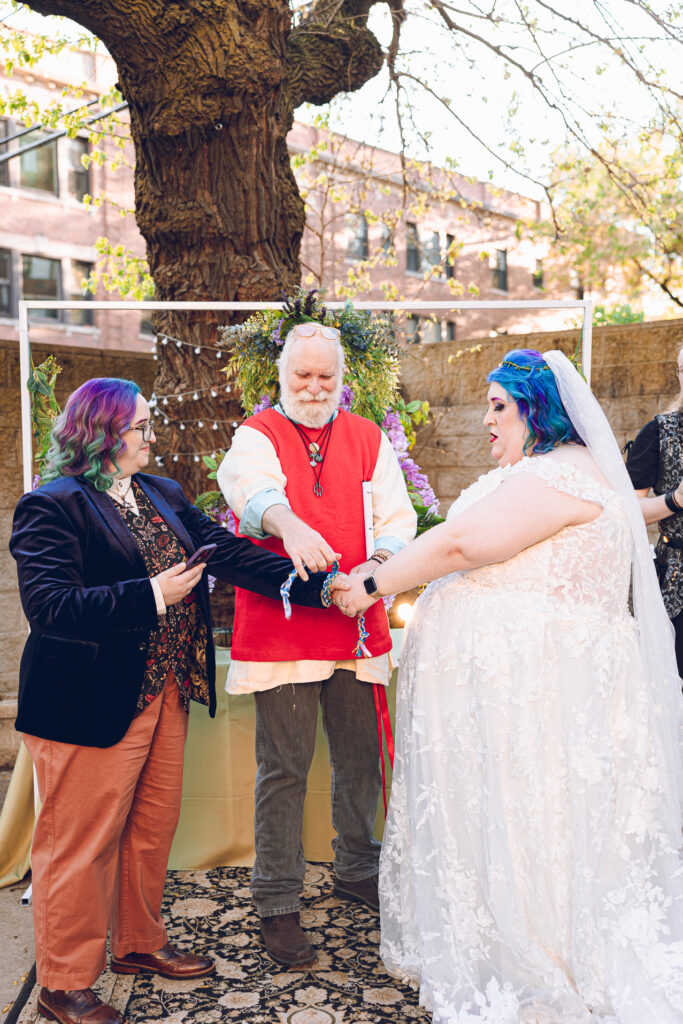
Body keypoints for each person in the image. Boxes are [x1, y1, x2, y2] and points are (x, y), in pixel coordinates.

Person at [331, 350, 683, 1023]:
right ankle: (544, 938)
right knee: (551, 819)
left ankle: (540, 956)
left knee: (537, 819)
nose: (487, 421)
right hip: (549, 689)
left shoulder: (554, 476)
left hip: (537, 696)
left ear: (536, 410)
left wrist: (371, 584)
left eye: (499, 407)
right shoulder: (572, 475)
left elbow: (463, 544)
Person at [10, 377, 330, 1024]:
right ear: (102, 433)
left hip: (166, 693)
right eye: (142, 426)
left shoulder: (163, 493)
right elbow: (50, 609)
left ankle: (137, 944)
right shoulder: (51, 505)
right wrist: (153, 594)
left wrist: (314, 582)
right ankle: (63, 984)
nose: (152, 437)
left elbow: (230, 554)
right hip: (88, 703)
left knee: (151, 831)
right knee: (79, 844)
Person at [217, 321, 416, 966]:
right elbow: (251, 490)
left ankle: (358, 869)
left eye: (324, 375)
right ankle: (277, 901)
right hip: (283, 629)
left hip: (356, 624)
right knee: (285, 770)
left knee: (361, 759)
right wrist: (291, 526)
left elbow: (397, 517)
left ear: (341, 378)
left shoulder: (366, 437)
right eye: (302, 374)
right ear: (282, 375)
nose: (313, 386)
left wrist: (375, 568)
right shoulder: (257, 434)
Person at [625, 345, 683, 675]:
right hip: (677, 583)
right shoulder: (659, 433)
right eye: (682, 369)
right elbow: (627, 509)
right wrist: (675, 499)